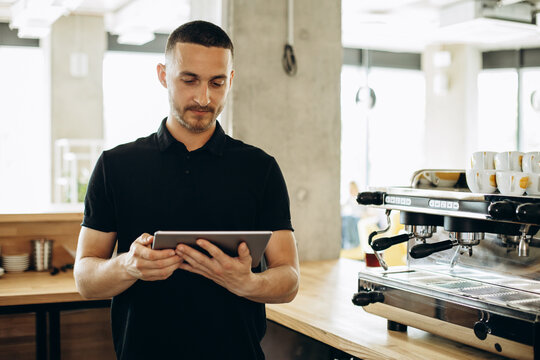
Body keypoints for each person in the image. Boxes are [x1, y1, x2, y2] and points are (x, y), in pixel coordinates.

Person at [74, 20, 299, 360]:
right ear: (164, 75)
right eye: (189, 79)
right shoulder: (115, 165)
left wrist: (249, 284)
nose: (203, 97)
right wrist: (127, 266)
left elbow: (289, 278)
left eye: (217, 82)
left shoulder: (260, 169)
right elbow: (85, 279)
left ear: (231, 80)